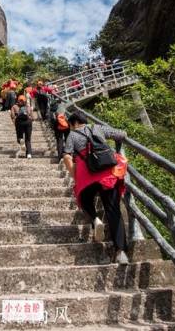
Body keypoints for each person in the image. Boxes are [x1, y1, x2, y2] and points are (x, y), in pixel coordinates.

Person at [62, 112, 129, 263]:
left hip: (87, 175)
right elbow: (120, 134)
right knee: (113, 210)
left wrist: (75, 175)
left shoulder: (72, 136)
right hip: (108, 173)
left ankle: (95, 219)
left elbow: (67, 156)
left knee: (84, 199)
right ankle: (121, 252)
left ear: (73, 123)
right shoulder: (97, 128)